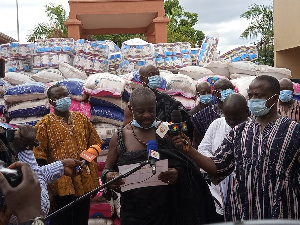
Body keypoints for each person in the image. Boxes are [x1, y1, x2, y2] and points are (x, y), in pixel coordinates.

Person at [173, 75, 300, 221]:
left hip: (281, 214)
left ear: (274, 98)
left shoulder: (294, 131)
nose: (253, 99)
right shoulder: (239, 131)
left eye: (258, 95)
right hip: (242, 213)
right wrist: (189, 150)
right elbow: (217, 165)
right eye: (250, 95)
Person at [103, 87, 217, 225]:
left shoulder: (167, 132)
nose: (146, 115)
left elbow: (188, 166)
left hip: (167, 212)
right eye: (140, 111)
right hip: (133, 213)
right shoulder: (120, 137)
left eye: (151, 110)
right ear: (130, 108)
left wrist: (178, 174)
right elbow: (107, 170)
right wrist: (109, 177)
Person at [33, 84, 104, 225]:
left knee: (81, 220)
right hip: (59, 185)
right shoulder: (43, 125)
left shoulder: (82, 120)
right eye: (57, 97)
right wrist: (46, 188)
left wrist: (87, 158)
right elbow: (39, 158)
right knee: (60, 221)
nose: (63, 99)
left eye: (65, 95)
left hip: (83, 181)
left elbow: (96, 143)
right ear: (51, 101)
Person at [198, 93, 249, 221]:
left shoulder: (252, 130)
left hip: (242, 191)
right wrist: (216, 164)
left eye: (236, 118)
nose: (232, 122)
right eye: (228, 118)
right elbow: (203, 148)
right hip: (216, 187)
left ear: (247, 113)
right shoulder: (217, 124)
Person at [123, 64, 194, 141]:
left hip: (164, 141)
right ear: (142, 78)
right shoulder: (135, 101)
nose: (155, 77)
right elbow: (127, 129)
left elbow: (183, 124)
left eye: (157, 74)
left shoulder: (167, 99)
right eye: (151, 74)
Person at [190, 79, 235, 143]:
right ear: (215, 93)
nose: (228, 93)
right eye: (224, 90)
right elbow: (198, 142)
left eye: (230, 90)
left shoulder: (239, 112)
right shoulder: (204, 115)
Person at [189, 81, 212, 148]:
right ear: (198, 94)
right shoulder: (193, 113)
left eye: (208, 92)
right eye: (203, 93)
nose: (206, 94)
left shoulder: (216, 110)